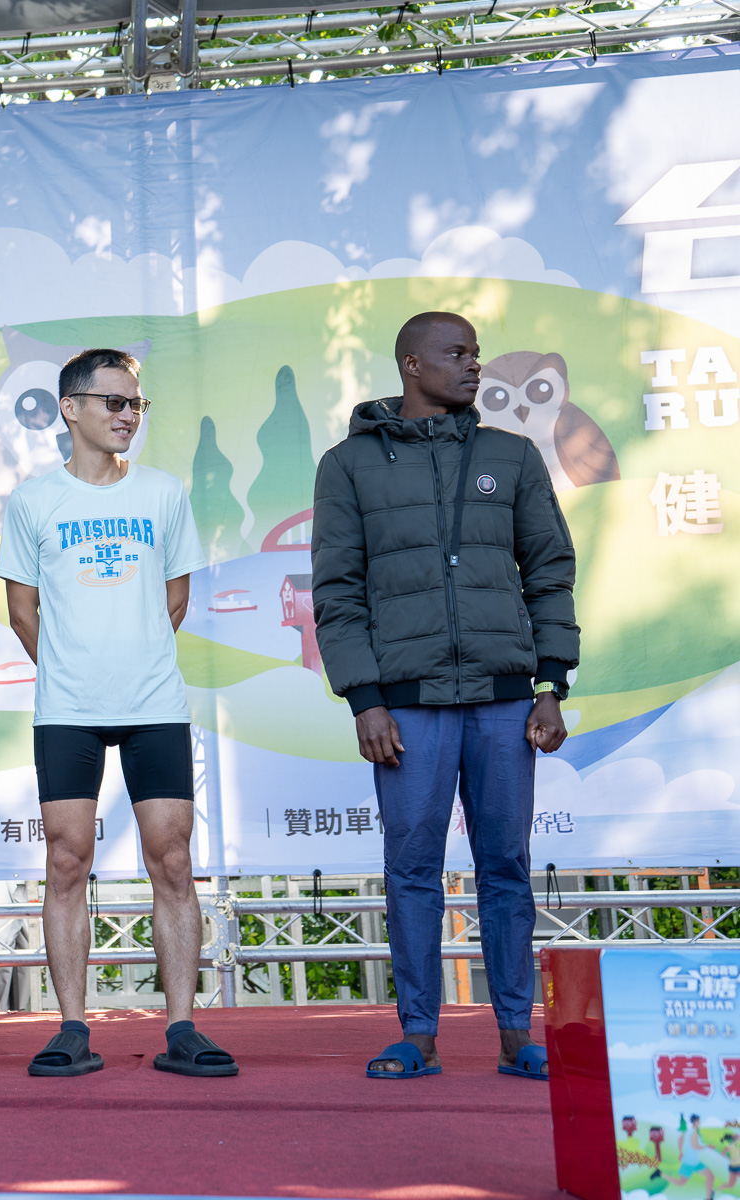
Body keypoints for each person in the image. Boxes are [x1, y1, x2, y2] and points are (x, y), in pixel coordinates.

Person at [312, 311, 576, 1081]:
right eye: (456, 353)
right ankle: (419, 1036)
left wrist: (550, 684)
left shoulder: (512, 456)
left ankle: (517, 1036)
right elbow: (337, 590)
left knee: (506, 866)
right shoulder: (349, 465)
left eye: (476, 353)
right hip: (407, 705)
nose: (473, 366)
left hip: (504, 700)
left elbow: (549, 571)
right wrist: (365, 699)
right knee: (412, 869)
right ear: (411, 364)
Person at [0, 348, 232, 1078]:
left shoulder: (162, 492)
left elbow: (175, 598)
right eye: (114, 402)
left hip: (154, 702)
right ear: (70, 409)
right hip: (67, 707)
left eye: (136, 404)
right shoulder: (34, 501)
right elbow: (22, 611)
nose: (129, 415)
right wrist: (75, 669)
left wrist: (131, 658)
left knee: (173, 859)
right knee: (67, 859)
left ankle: (182, 1026)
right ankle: (72, 1026)